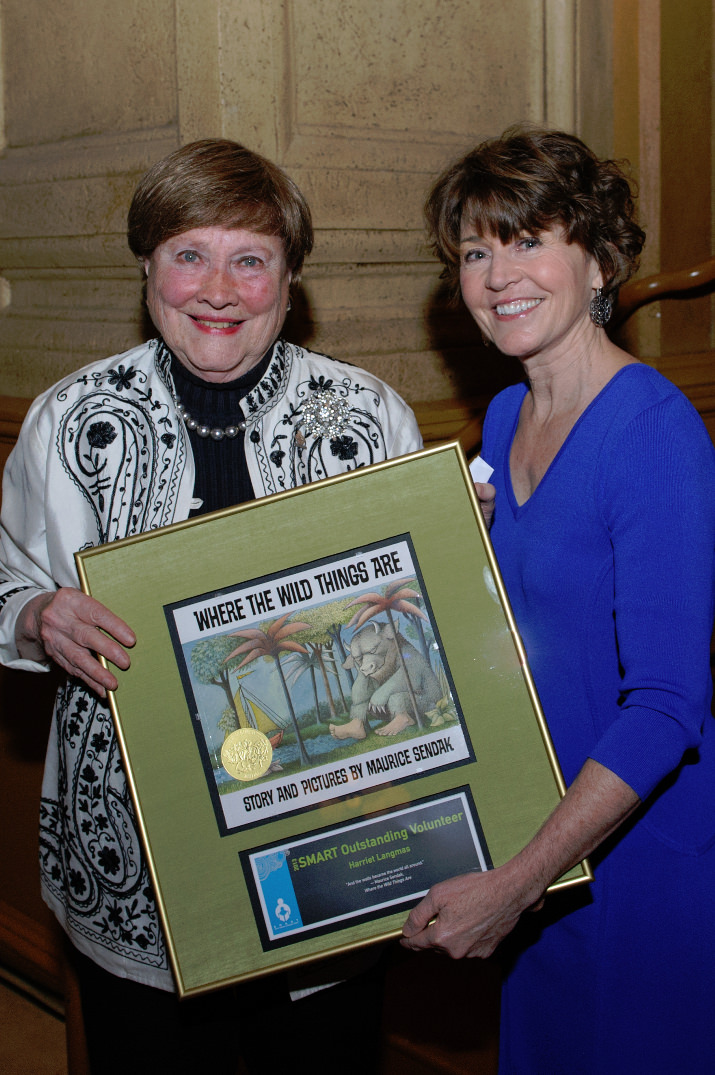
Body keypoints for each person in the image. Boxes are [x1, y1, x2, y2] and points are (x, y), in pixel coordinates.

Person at [0, 139, 422, 1072]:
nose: (218, 288)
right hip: (134, 862)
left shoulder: (367, 415)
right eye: (190, 253)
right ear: (148, 265)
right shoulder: (70, 421)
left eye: (250, 258)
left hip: (331, 847)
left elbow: (417, 622)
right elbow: (5, 580)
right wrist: (37, 618)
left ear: (289, 276)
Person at [400, 127, 715, 1073]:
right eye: (475, 252)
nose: (500, 276)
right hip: (535, 830)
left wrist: (520, 883)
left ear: (600, 258)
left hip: (630, 855)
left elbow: (664, 705)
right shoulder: (503, 413)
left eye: (529, 239)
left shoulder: (653, 432)